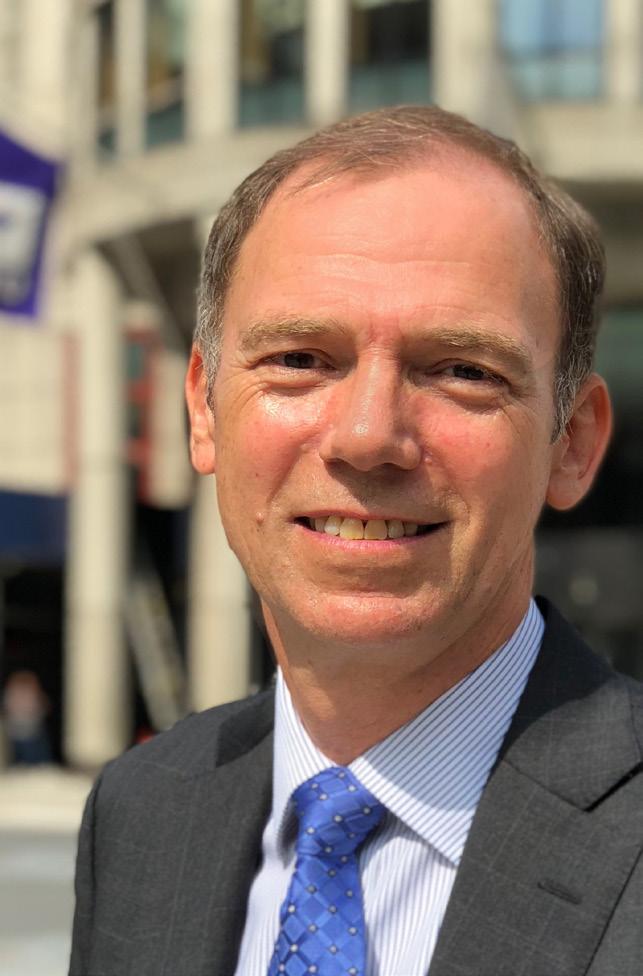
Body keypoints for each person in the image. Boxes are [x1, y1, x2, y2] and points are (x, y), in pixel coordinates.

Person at [69, 105, 643, 976]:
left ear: (571, 444)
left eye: (461, 371)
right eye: (299, 359)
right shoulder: (140, 812)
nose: (368, 435)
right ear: (203, 410)